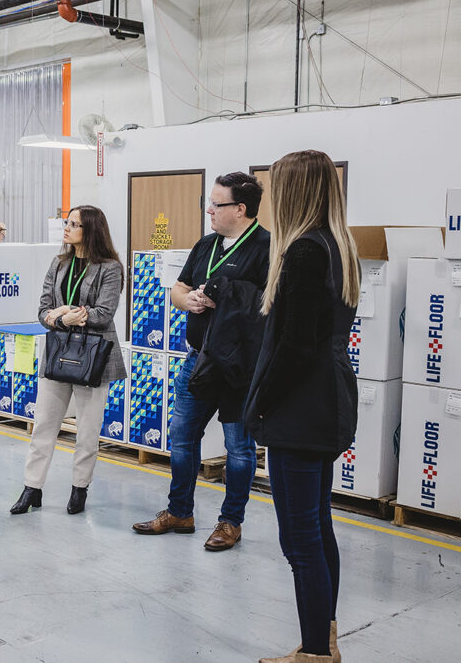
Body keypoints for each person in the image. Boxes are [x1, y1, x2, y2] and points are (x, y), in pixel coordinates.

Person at [246, 150, 359, 663]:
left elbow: (296, 345)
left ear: (296, 192)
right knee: (318, 524)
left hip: (301, 404)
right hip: (327, 398)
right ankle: (324, 638)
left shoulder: (305, 251)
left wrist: (259, 406)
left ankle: (315, 651)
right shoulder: (340, 245)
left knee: (300, 539)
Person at [132, 172, 270, 551]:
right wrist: (187, 299)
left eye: (217, 204)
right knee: (181, 437)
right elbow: (178, 287)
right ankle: (180, 512)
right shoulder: (206, 245)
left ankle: (230, 523)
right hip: (198, 360)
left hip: (239, 367)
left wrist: (225, 297)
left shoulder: (266, 248)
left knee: (238, 449)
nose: (209, 209)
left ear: (240, 209)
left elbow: (267, 306)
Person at [10, 206, 125, 515]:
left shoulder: (111, 267)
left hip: (94, 358)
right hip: (59, 354)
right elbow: (43, 310)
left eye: (75, 224)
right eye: (67, 222)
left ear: (91, 230)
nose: (67, 228)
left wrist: (63, 313)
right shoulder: (59, 263)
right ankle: (31, 488)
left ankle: (79, 490)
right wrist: (63, 317)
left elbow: (103, 313)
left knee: (87, 432)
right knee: (43, 427)